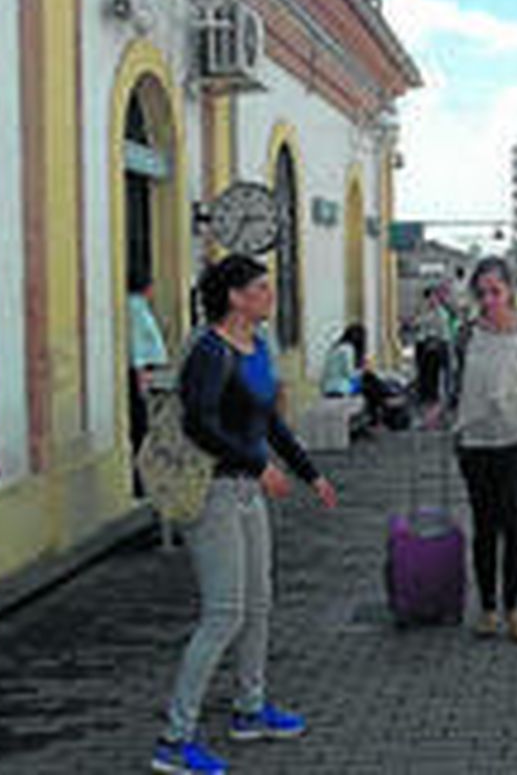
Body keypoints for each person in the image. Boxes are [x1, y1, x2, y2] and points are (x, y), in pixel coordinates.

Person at [153, 254, 338, 775]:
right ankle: (174, 738)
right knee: (224, 614)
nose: (269, 295)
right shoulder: (209, 352)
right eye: (260, 287)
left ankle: (250, 709)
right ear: (234, 297)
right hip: (213, 492)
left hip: (247, 492)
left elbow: (270, 423)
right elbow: (200, 424)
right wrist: (258, 465)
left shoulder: (257, 348)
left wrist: (310, 474)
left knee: (258, 604)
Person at [438, 257, 517, 645]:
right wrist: (439, 413)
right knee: (484, 526)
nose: (489, 300)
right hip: (475, 444)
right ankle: (488, 609)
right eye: (482, 293)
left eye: (495, 291)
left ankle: (514, 609)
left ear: (510, 291)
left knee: (516, 525)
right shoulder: (465, 335)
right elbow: (454, 385)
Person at [129, 273, 170, 497]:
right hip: (143, 375)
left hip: (148, 373)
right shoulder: (135, 308)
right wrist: (142, 377)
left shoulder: (140, 307)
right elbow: (137, 345)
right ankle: (142, 482)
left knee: (145, 430)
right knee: (142, 430)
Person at [320, 322, 395, 430]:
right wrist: (363, 370)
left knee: (370, 383)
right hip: (342, 388)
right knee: (370, 384)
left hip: (329, 387)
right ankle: (382, 410)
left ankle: (380, 411)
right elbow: (350, 374)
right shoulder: (348, 350)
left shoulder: (336, 348)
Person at [412, 286, 451, 406]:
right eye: (428, 298)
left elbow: (441, 331)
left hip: (437, 345)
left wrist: (435, 342)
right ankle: (424, 393)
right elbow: (418, 324)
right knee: (423, 370)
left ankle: (433, 395)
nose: (430, 300)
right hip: (424, 343)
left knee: (433, 371)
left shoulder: (440, 312)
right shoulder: (425, 311)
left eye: (433, 297)